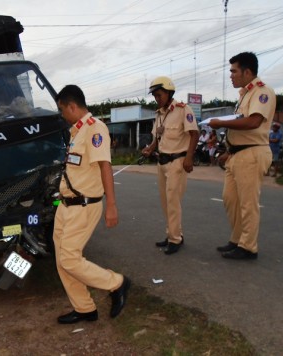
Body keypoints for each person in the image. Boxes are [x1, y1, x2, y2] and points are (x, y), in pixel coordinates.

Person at [53, 85, 130, 324]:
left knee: (69, 259)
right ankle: (85, 308)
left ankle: (117, 283)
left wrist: (112, 205)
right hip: (65, 205)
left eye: (62, 110)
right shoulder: (77, 132)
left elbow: (105, 167)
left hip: (84, 206)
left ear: (72, 106)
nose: (62, 115)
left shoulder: (96, 128)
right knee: (61, 260)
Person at [209, 52, 276, 260]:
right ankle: (237, 239)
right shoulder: (244, 94)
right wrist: (228, 152)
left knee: (247, 203)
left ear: (247, 71)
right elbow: (241, 125)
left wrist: (220, 123)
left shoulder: (261, 91)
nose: (231, 76)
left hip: (252, 153)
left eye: (234, 71)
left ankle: (248, 247)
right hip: (237, 154)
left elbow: (253, 122)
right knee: (231, 199)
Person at [142, 76, 199, 255]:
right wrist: (150, 148)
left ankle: (175, 239)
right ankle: (173, 234)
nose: (156, 98)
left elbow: (194, 134)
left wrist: (189, 158)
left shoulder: (183, 109)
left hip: (177, 162)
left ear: (169, 92)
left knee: (173, 201)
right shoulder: (159, 114)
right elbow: (157, 138)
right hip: (162, 162)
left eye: (159, 95)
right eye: (155, 96)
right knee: (166, 202)